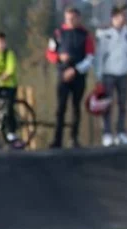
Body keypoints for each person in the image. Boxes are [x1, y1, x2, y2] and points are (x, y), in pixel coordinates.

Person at [46, 6, 95, 149]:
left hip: (78, 75)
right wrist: (59, 58)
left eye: (73, 18)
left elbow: (90, 57)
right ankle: (57, 139)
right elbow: (50, 53)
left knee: (76, 107)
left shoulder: (85, 35)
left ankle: (74, 138)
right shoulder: (58, 33)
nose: (70, 21)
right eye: (68, 18)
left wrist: (75, 70)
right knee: (60, 108)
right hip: (62, 75)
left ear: (78, 19)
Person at [95, 4, 127, 146]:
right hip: (108, 73)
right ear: (114, 17)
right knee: (107, 105)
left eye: (125, 16)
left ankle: (121, 132)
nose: (124, 19)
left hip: (124, 73)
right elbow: (99, 56)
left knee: (123, 104)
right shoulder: (104, 34)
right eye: (121, 16)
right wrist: (98, 74)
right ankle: (107, 133)